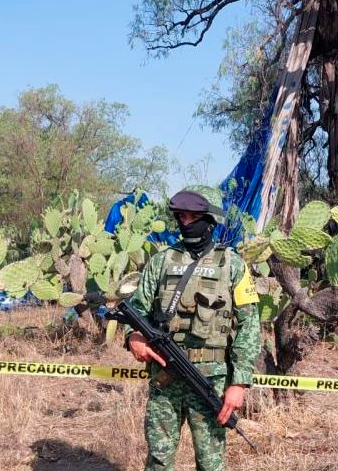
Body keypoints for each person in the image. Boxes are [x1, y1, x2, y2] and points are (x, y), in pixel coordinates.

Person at [125, 185, 261, 471]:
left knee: (210, 464)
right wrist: (134, 338)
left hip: (210, 381)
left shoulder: (232, 265)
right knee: (159, 460)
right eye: (181, 216)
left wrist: (239, 383)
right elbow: (137, 308)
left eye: (192, 216)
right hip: (165, 376)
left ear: (210, 220)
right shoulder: (162, 262)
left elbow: (249, 326)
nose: (185, 222)